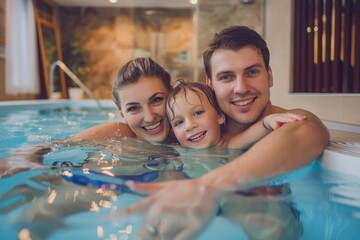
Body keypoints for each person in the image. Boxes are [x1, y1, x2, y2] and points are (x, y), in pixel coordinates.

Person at [121, 25, 330, 240]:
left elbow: (308, 129)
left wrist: (208, 186)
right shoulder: (196, 129)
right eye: (227, 77)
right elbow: (129, 130)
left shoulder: (285, 122)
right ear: (210, 85)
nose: (241, 88)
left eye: (251, 72)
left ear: (269, 76)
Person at [167, 79, 306, 150]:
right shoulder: (178, 152)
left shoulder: (228, 146)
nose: (189, 126)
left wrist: (268, 121)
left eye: (198, 113)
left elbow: (252, 134)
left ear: (220, 116)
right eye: (179, 122)